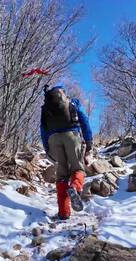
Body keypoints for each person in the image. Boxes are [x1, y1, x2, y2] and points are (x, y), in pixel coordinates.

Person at [40, 85, 93, 220]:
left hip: (53, 140)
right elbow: (84, 121)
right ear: (63, 94)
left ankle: (64, 212)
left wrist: (47, 148)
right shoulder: (72, 103)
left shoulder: (46, 108)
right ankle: (75, 187)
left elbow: (43, 129)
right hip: (72, 136)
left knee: (62, 176)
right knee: (78, 169)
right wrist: (89, 142)